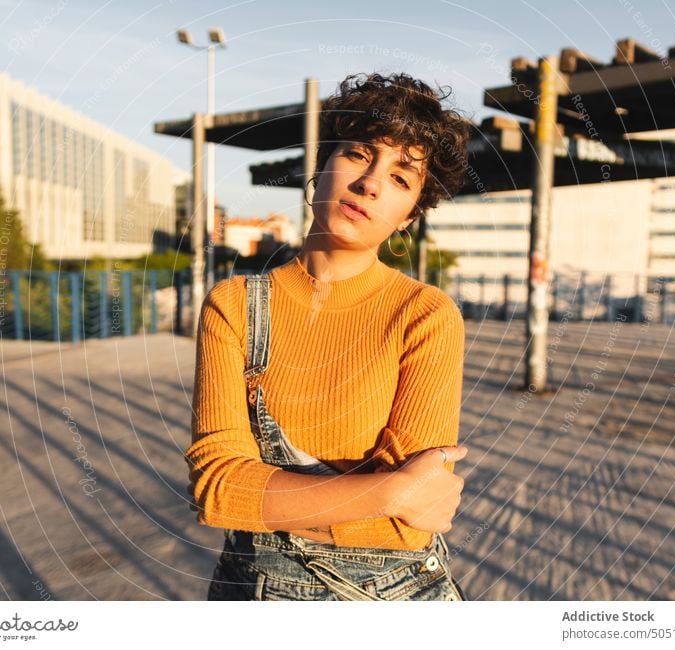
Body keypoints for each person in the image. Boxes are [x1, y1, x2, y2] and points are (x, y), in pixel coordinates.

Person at [184, 71, 471, 600]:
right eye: (361, 154)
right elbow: (217, 489)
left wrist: (267, 502)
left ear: (409, 218)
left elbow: (410, 525)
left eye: (402, 178)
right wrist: (390, 490)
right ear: (320, 167)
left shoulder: (424, 315)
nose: (371, 183)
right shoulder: (234, 306)